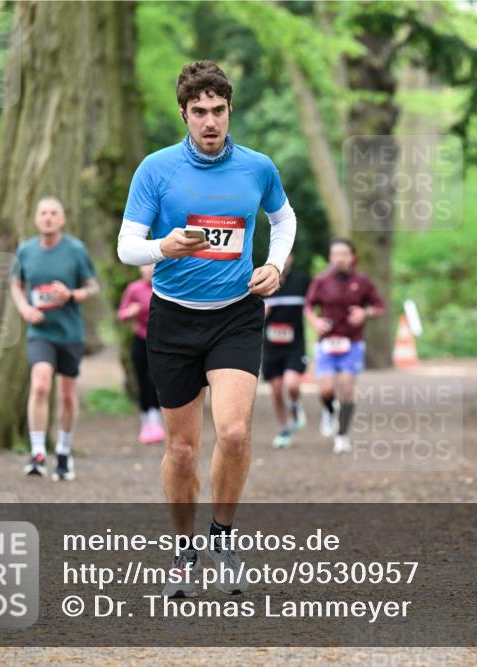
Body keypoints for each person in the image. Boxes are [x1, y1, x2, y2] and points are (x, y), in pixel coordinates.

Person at [116, 60, 296, 597]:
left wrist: (275, 265)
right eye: (200, 112)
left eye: (218, 110)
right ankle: (183, 548)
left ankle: (222, 537)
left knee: (236, 432)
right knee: (183, 451)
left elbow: (282, 219)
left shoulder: (258, 167)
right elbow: (127, 247)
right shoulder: (156, 169)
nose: (210, 121)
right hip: (172, 317)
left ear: (229, 109)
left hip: (236, 315)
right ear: (184, 114)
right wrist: (164, 247)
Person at [11, 196, 99, 481]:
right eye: (43, 213)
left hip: (70, 333)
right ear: (36, 219)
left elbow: (92, 286)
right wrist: (25, 308)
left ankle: (63, 451)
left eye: (53, 213)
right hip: (41, 332)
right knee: (39, 384)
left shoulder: (75, 250)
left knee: (67, 394)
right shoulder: (25, 251)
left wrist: (71, 295)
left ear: (62, 219)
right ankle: (37, 452)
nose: (48, 217)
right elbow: (16, 283)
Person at [304, 239, 386, 454]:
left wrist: (364, 313)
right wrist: (315, 322)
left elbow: (379, 307)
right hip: (327, 343)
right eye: (335, 254)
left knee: (347, 388)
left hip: (352, 343)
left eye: (344, 254)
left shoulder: (362, 281)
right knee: (326, 389)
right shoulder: (321, 281)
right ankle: (330, 410)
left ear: (352, 257)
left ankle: (342, 435)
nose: (340, 258)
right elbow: (309, 306)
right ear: (330, 258)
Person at [261, 253, 310, 449]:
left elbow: (317, 302)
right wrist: (261, 313)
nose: (283, 260)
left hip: (295, 344)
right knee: (275, 388)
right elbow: (250, 312)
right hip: (271, 346)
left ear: (291, 258)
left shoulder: (302, 281)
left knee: (292, 385)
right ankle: (283, 429)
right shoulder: (262, 281)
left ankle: (295, 406)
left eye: (287, 256)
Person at [118, 263, 165, 444]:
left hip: (161, 341)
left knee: (155, 380)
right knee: (142, 380)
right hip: (140, 339)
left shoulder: (164, 286)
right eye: (145, 266)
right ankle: (146, 422)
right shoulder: (134, 289)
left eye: (151, 265)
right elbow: (121, 314)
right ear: (140, 269)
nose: (148, 269)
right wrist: (130, 313)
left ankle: (156, 420)